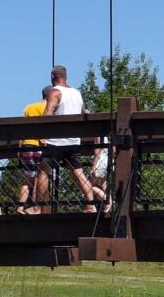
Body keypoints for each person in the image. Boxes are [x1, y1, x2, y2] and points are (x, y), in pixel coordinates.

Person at [48, 65, 107, 207]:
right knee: (78, 173)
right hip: (73, 141)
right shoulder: (77, 94)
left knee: (43, 171)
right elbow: (83, 113)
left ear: (52, 77)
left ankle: (39, 206)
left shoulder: (54, 92)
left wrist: (42, 134)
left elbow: (47, 114)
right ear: (66, 77)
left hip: (56, 141)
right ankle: (91, 205)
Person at [16, 99, 50, 209]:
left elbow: (22, 128)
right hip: (39, 146)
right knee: (38, 179)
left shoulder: (29, 107)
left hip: (26, 144)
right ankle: (35, 207)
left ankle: (20, 206)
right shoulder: (47, 108)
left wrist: (19, 147)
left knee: (27, 180)